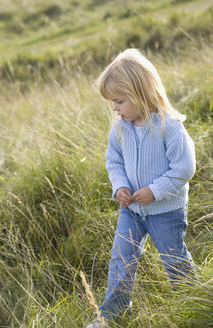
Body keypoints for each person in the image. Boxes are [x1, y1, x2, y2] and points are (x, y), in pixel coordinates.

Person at [85, 48, 196, 328]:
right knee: (121, 258)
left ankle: (194, 302)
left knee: (173, 259)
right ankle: (111, 315)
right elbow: (114, 160)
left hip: (166, 210)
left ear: (140, 93)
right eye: (113, 102)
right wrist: (120, 186)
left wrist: (154, 190)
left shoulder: (169, 127)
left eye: (119, 101)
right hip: (132, 210)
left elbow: (184, 168)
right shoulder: (120, 127)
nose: (115, 108)